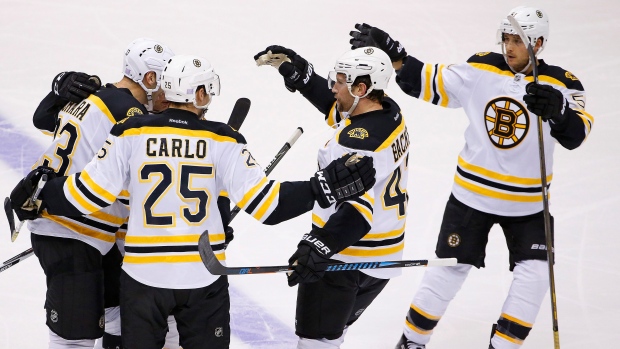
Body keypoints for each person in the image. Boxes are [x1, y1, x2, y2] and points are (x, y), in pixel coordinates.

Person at [11, 54, 376, 349]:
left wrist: (41, 193)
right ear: (200, 95)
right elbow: (270, 206)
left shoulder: (130, 133)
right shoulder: (224, 140)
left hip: (143, 277)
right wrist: (323, 187)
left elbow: (85, 195)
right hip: (202, 274)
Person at [348, 6, 595, 349]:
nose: (509, 48)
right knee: (447, 270)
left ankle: (504, 344)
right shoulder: (481, 67)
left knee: (537, 275)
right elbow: (428, 81)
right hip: (471, 198)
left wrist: (560, 112)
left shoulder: (564, 84)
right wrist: (395, 54)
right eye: (506, 39)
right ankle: (411, 342)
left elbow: (578, 134)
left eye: (518, 41)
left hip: (529, 205)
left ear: (538, 44)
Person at [18, 37, 174, 349]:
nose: (171, 91)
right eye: (167, 82)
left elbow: (42, 119)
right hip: (70, 232)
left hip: (83, 232)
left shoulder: (97, 98)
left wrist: (58, 88)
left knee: (121, 314)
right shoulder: (130, 114)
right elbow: (160, 169)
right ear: (150, 78)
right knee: (75, 339)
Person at [253, 45, 410, 348]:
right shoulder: (389, 111)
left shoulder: (353, 144)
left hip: (342, 259)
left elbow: (358, 211)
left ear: (361, 88)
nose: (333, 88)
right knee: (334, 335)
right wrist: (301, 75)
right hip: (383, 260)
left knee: (316, 342)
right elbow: (340, 107)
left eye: (340, 81)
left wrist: (319, 246)